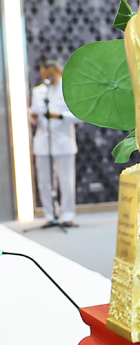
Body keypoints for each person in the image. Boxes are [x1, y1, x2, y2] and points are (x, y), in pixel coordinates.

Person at [29, 60, 79, 227]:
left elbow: (79, 116)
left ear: (60, 72)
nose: (48, 77)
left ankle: (67, 215)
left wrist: (61, 116)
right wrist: (32, 117)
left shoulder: (69, 89)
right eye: (45, 74)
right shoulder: (39, 91)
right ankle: (50, 215)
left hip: (64, 141)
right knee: (44, 181)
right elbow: (33, 115)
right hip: (43, 142)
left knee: (66, 180)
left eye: (52, 74)